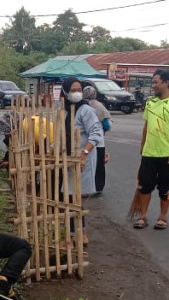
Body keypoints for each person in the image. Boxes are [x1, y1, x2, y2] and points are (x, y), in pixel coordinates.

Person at [132, 69, 169, 230]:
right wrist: (142, 145)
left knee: (165, 188)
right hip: (149, 153)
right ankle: (142, 216)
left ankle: (162, 217)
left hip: (166, 154)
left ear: (166, 83)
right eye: (153, 82)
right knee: (144, 186)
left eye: (156, 82)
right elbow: (146, 126)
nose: (153, 85)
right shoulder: (150, 102)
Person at [60, 77, 102, 247]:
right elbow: (63, 135)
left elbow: (96, 134)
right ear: (65, 92)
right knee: (71, 198)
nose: (76, 92)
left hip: (83, 158)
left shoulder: (86, 110)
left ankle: (78, 236)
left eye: (79, 89)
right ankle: (78, 234)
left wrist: (84, 153)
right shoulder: (64, 110)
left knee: (74, 198)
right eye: (73, 89)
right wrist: (53, 148)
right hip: (69, 158)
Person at [83, 86, 111, 193]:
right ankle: (98, 187)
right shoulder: (99, 107)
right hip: (98, 142)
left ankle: (86, 187)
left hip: (86, 142)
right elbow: (107, 125)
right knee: (99, 165)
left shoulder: (81, 106)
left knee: (87, 165)